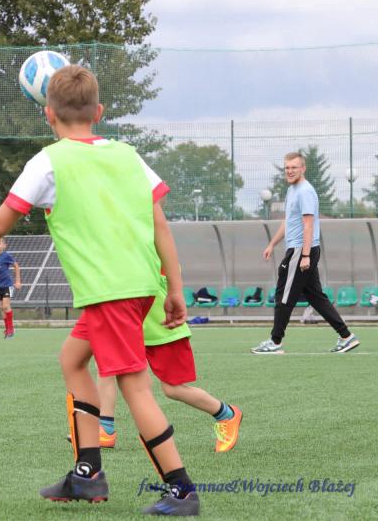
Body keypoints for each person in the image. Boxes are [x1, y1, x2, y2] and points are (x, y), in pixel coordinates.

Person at [0, 65, 199, 516]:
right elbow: (160, 224)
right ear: (99, 112)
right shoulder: (129, 155)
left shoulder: (48, 162)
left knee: (135, 387)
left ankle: (182, 489)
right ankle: (87, 474)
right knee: (72, 359)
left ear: (47, 114)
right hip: (139, 286)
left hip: (110, 292)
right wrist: (176, 288)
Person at [92, 273, 242, 453]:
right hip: (130, 328)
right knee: (105, 366)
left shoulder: (157, 257)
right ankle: (105, 429)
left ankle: (227, 415)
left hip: (164, 329)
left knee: (172, 389)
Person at [251, 152, 359, 354]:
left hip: (301, 250)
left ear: (303, 168)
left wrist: (306, 255)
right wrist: (272, 244)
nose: (290, 171)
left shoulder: (305, 191)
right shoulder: (292, 190)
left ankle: (275, 342)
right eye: (287, 167)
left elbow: (308, 225)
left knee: (283, 296)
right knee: (316, 297)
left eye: (294, 167)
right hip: (300, 249)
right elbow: (288, 221)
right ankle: (347, 336)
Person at [0, 238, 21, 338]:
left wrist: (18, 281)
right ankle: (7, 329)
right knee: (2, 308)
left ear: (4, 246)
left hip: (7, 284)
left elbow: (16, 266)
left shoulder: (6, 256)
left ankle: (11, 329)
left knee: (6, 306)